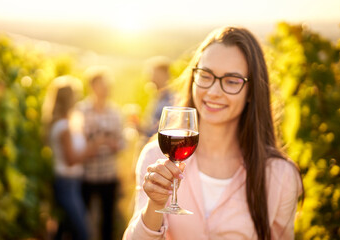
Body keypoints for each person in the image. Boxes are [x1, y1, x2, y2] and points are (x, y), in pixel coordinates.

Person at [123, 26, 303, 240]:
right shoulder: (156, 158)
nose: (214, 92)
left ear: (251, 92)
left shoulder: (280, 176)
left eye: (232, 81)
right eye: (206, 75)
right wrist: (155, 203)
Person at [42, 75, 94, 240]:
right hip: (66, 183)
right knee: (83, 232)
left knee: (62, 230)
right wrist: (96, 145)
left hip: (71, 182)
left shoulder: (67, 123)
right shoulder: (63, 127)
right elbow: (71, 160)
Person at [76, 66, 125, 240]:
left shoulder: (116, 112)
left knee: (108, 222)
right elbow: (76, 145)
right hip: (86, 176)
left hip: (108, 175)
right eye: (103, 85)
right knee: (82, 220)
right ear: (92, 86)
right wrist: (95, 144)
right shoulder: (80, 111)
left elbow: (123, 143)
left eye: (108, 85)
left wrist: (114, 144)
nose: (107, 88)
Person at [142, 56, 174, 138]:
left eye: (153, 74)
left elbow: (161, 130)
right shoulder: (156, 97)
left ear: (164, 75)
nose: (150, 78)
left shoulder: (172, 100)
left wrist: (141, 129)